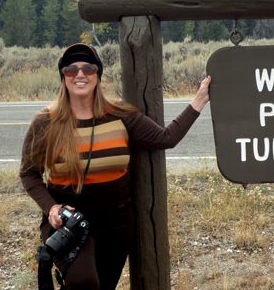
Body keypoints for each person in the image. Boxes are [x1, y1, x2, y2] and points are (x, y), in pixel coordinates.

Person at [19, 43, 211, 289]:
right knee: (83, 281)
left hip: (117, 221)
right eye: (71, 69)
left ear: (98, 74)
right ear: (63, 76)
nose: (80, 74)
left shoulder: (120, 115)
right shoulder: (46, 121)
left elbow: (166, 138)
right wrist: (51, 208)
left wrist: (200, 99)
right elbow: (29, 173)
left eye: (88, 68)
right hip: (69, 222)